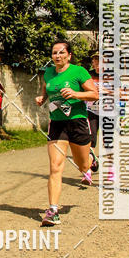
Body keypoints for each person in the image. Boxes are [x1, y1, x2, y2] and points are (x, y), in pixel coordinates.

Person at [35, 40, 99, 226]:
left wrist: (76, 94)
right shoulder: (48, 73)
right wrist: (42, 98)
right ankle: (53, 210)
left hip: (77, 122)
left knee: (82, 166)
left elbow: (94, 94)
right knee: (55, 166)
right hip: (57, 124)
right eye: (54, 52)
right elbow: (46, 92)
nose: (57, 56)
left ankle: (90, 160)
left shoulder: (78, 71)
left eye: (62, 52)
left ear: (69, 55)